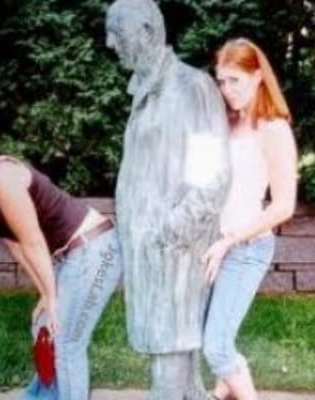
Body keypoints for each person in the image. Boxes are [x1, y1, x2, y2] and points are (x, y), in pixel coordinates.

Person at [0, 108, 123, 400]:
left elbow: (33, 241)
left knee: (66, 342)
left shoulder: (1, 175)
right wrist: (45, 294)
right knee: (43, 327)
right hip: (70, 255)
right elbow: (16, 245)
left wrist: (53, 297)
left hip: (96, 248)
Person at [105, 0, 231, 399]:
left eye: (117, 32)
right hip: (151, 251)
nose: (110, 43)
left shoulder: (191, 87)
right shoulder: (145, 91)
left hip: (175, 251)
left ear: (147, 32)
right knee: (177, 360)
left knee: (170, 355)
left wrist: (171, 232)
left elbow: (212, 176)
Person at [202, 38, 297, 400]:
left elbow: (284, 206)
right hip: (214, 245)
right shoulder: (227, 124)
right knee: (202, 335)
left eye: (235, 80)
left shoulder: (274, 129)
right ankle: (222, 391)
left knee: (216, 347)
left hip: (245, 249)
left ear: (258, 76)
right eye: (221, 81)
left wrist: (229, 241)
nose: (227, 90)